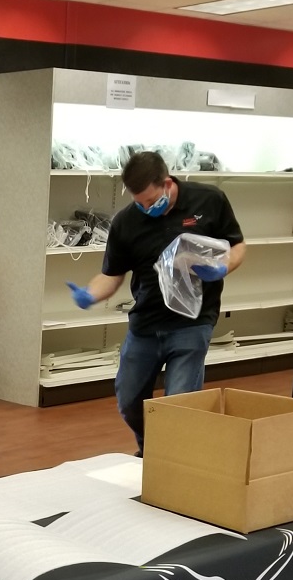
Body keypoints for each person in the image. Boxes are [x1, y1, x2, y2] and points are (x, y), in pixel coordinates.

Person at [65, 150, 246, 455]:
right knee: (129, 401)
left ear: (167, 182)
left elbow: (237, 244)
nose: (146, 208)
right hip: (145, 324)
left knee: (179, 405)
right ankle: (152, 449)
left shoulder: (209, 200)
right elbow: (111, 275)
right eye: (139, 203)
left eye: (151, 201)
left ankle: (170, 461)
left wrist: (223, 267)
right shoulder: (126, 222)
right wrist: (89, 294)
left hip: (193, 322)